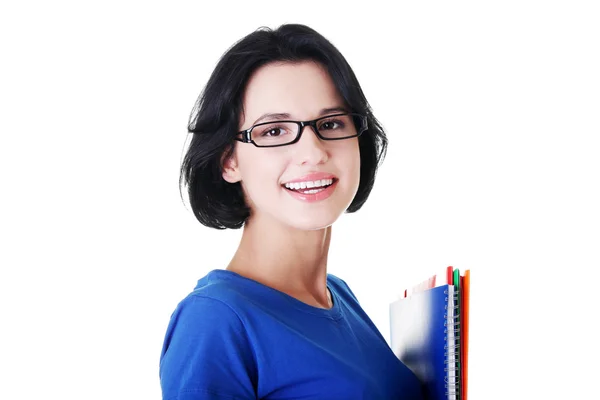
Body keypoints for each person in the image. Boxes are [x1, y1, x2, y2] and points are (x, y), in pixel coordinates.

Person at [159, 23, 423, 400]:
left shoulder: (339, 296)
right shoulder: (215, 321)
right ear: (228, 160)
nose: (313, 152)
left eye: (331, 124)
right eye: (274, 131)